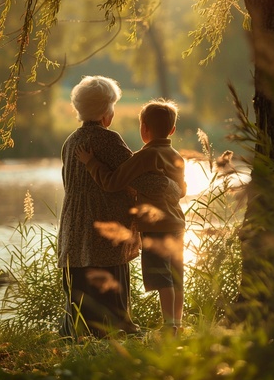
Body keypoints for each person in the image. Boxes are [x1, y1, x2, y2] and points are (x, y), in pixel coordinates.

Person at [58, 76, 181, 339]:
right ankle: (116, 329)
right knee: (109, 276)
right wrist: (174, 186)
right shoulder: (107, 140)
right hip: (104, 221)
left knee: (80, 277)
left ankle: (80, 330)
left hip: (74, 225)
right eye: (112, 106)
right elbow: (145, 180)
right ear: (106, 112)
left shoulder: (70, 142)